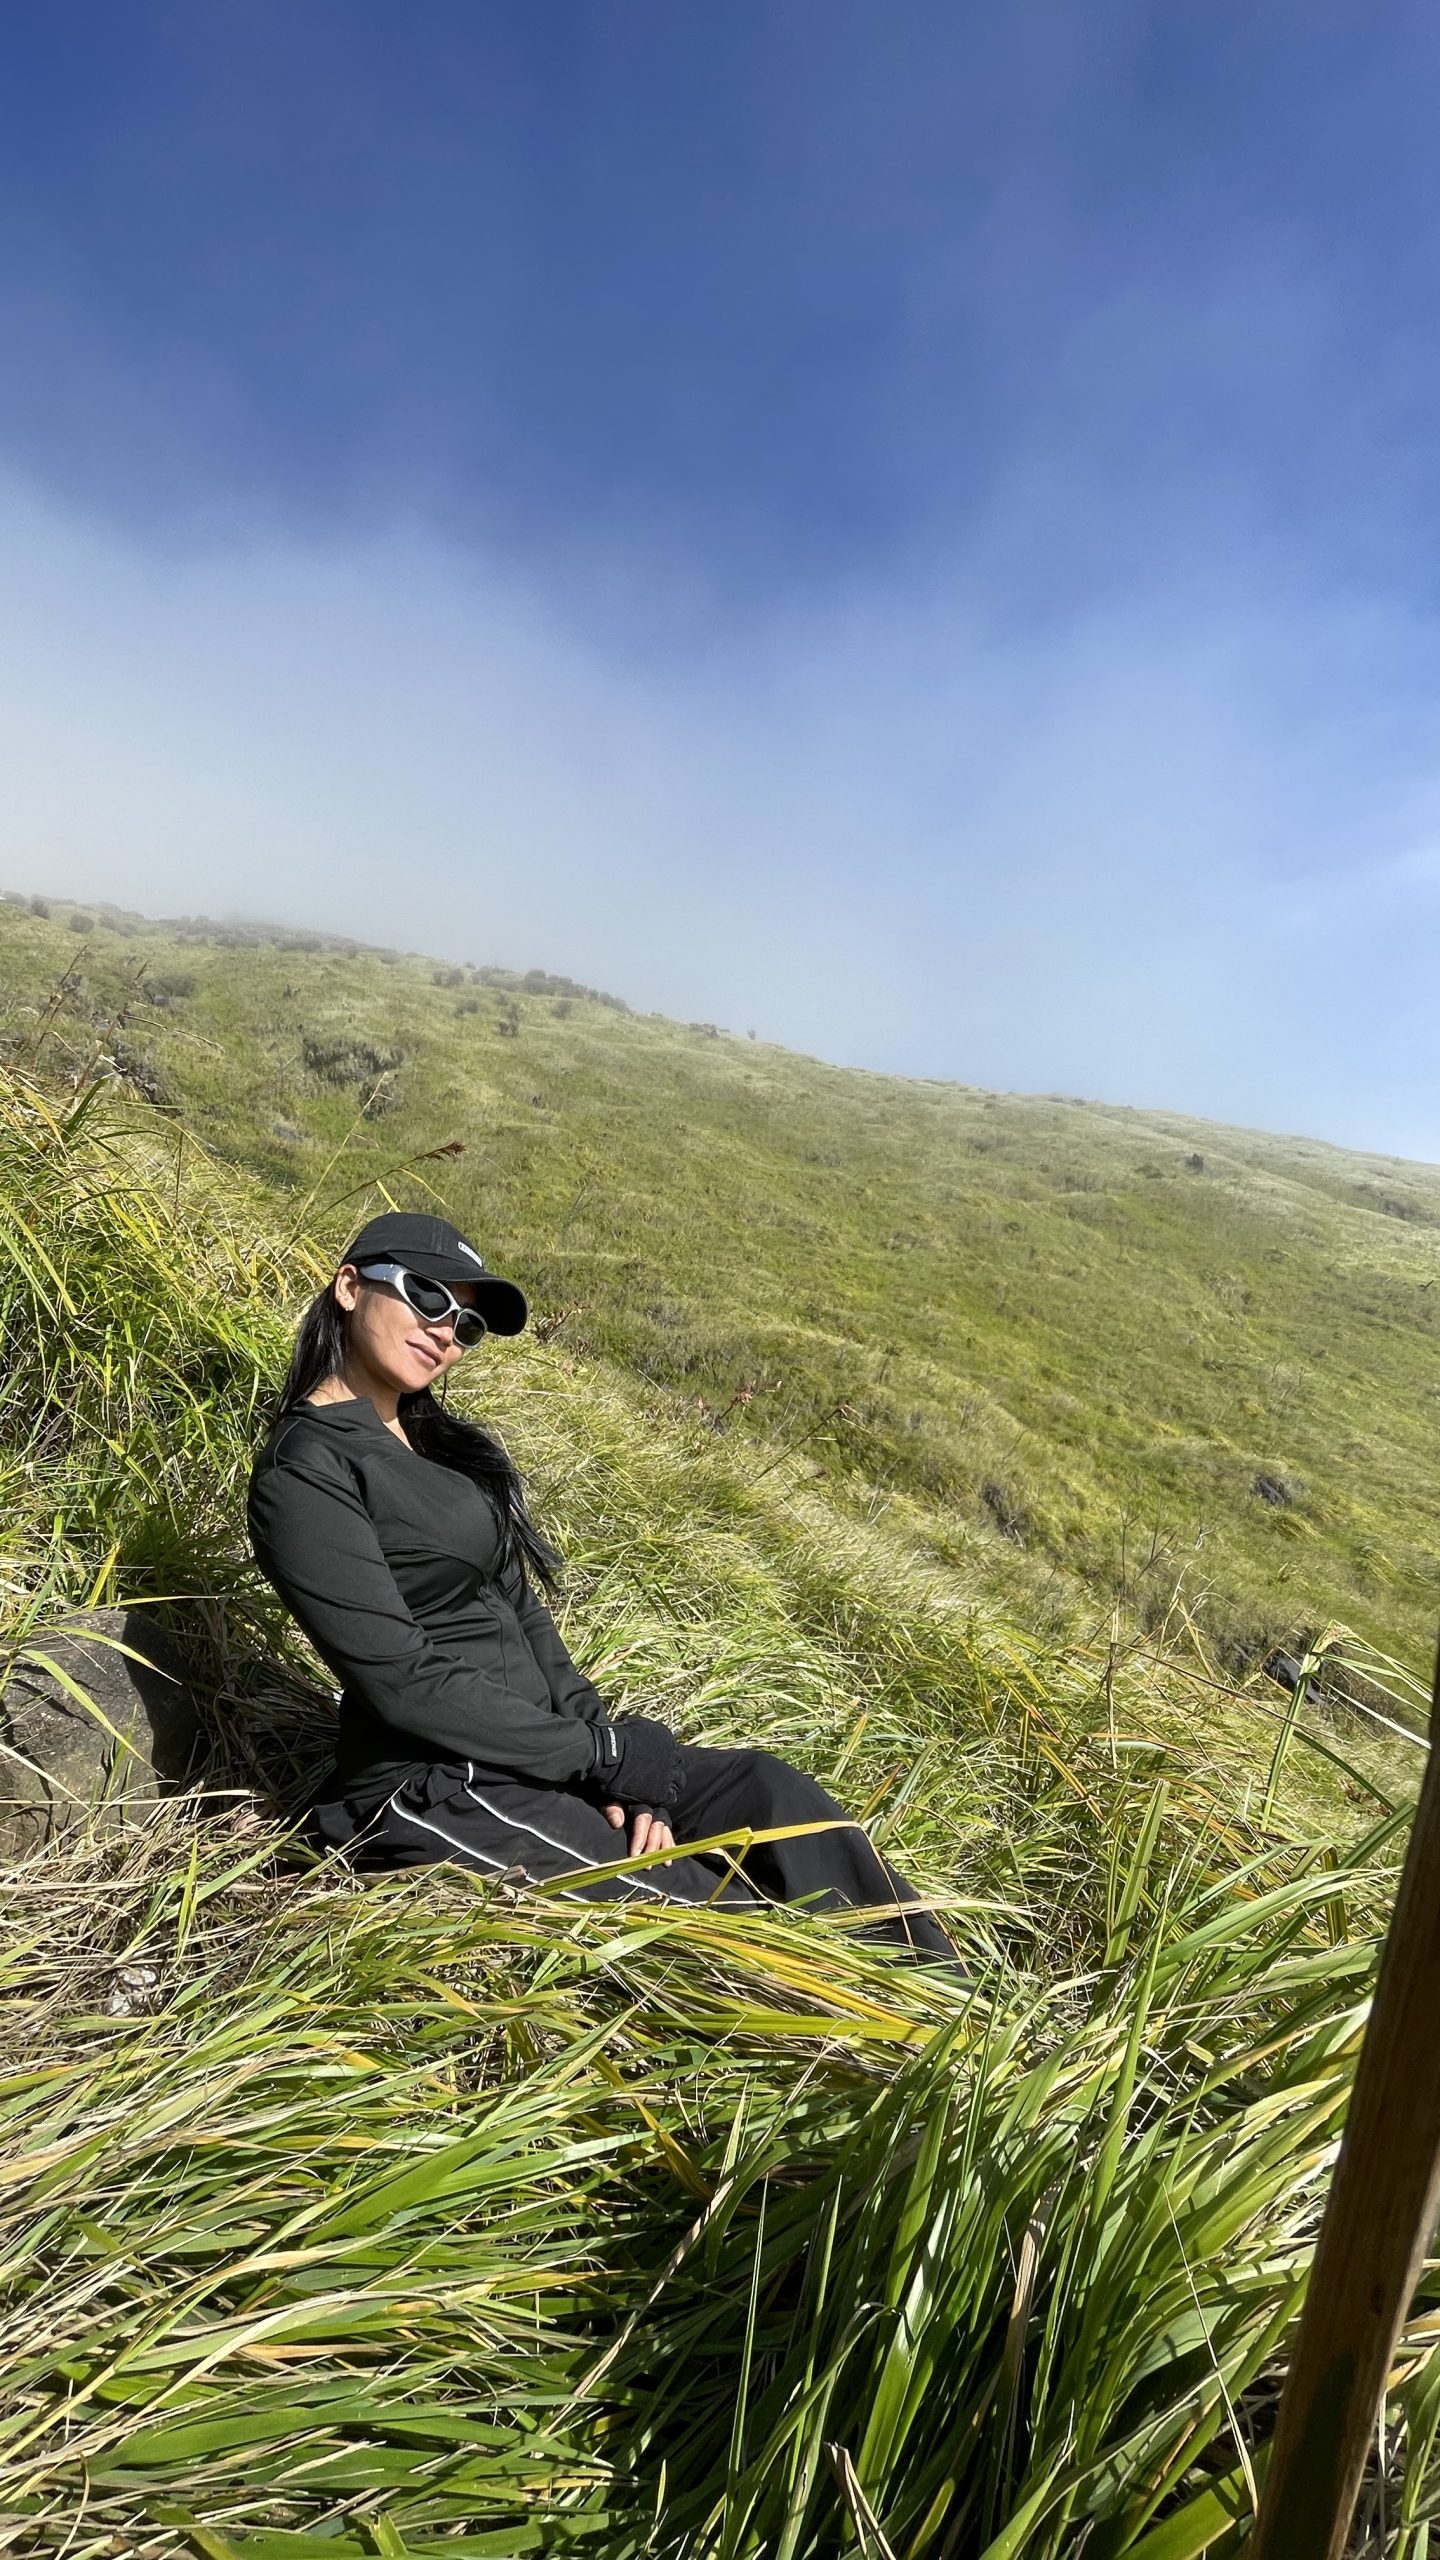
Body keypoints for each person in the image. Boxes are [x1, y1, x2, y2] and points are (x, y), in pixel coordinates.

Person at [247, 1211, 955, 1962]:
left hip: (541, 1756)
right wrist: (597, 1754)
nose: (446, 1331)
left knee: (773, 1794)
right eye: (426, 1297)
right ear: (351, 1287)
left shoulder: (435, 1450)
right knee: (725, 1924)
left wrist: (618, 1761)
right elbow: (403, 1683)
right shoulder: (306, 1470)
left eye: (466, 1324)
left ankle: (960, 2005)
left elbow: (521, 1615)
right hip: (439, 1789)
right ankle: (894, 2040)